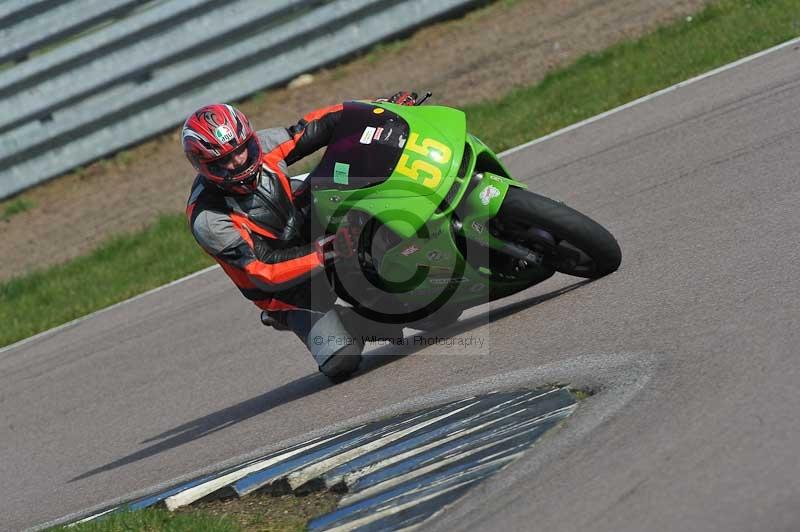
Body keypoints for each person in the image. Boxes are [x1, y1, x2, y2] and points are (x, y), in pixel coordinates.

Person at [182, 93, 417, 380]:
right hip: (285, 290)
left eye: (241, 150)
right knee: (341, 361)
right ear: (203, 167)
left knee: (350, 182)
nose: (237, 162)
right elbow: (263, 269)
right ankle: (351, 322)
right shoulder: (208, 218)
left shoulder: (265, 145)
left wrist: (378, 109)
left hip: (302, 226)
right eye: (223, 162)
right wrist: (326, 252)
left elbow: (320, 125)